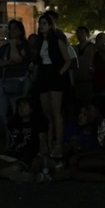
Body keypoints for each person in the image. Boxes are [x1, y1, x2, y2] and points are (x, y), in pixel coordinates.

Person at [32, 12, 72, 160]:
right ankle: (48, 143)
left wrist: (59, 73)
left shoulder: (57, 39)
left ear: (50, 25)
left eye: (44, 23)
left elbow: (67, 60)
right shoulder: (39, 41)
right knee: (46, 111)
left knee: (56, 112)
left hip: (55, 75)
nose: (41, 26)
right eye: (40, 24)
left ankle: (58, 144)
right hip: (44, 76)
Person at [0, 20, 31, 124]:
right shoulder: (4, 47)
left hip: (19, 81)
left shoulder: (25, 45)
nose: (12, 31)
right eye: (10, 28)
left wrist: (13, 44)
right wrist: (7, 63)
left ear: (20, 31)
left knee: (18, 111)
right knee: (0, 113)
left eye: (15, 28)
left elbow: (17, 59)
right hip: (4, 81)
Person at [73, 26, 95, 103]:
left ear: (87, 34)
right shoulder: (74, 48)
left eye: (82, 32)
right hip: (77, 81)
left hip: (89, 80)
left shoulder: (93, 47)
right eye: (78, 33)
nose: (80, 35)